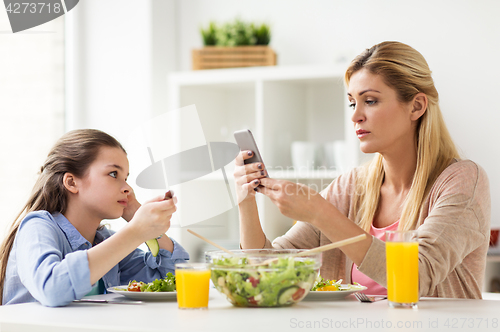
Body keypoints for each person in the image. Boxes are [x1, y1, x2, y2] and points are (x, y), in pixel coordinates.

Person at [234, 41, 490, 299]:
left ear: (416, 106)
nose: (356, 116)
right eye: (352, 103)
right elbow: (267, 269)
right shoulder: (350, 187)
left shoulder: (463, 181)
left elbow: (415, 277)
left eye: (370, 100)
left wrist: (320, 213)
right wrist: (246, 202)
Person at [0, 129, 189, 306]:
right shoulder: (37, 227)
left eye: (126, 178)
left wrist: (139, 219)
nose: (128, 188)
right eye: (114, 174)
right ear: (72, 182)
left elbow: (177, 280)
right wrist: (135, 232)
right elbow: (52, 288)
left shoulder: (106, 241)